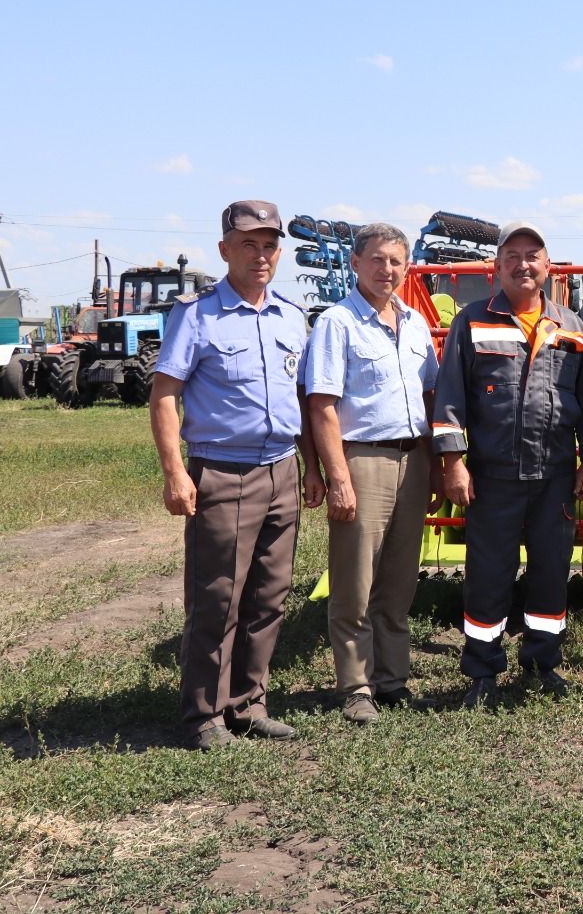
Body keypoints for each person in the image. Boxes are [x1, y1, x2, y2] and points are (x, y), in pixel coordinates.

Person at [150, 200, 325, 751]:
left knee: (270, 597)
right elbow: (163, 397)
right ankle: (203, 716)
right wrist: (176, 473)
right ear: (225, 249)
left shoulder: (291, 316)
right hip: (222, 473)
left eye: (270, 244)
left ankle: (249, 704)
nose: (261, 254)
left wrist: (312, 467)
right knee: (218, 597)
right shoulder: (196, 314)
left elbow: (300, 398)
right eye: (248, 244)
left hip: (281, 470)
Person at [432, 221, 583, 707]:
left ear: (549, 266)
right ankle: (482, 672)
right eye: (513, 256)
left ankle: (542, 662)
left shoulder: (571, 325)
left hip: (556, 474)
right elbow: (449, 399)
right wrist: (453, 464)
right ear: (497, 266)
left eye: (534, 255)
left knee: (551, 571)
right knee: (488, 574)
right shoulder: (471, 320)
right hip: (492, 474)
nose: (524, 265)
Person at [304, 222, 440, 725]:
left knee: (400, 579)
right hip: (362, 458)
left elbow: (429, 396)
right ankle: (356, 686)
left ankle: (392, 679)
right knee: (355, 579)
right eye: (378, 260)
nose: (387, 270)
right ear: (356, 263)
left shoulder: (416, 323)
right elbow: (321, 405)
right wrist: (336, 476)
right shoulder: (338, 323)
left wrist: (434, 464)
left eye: (396, 262)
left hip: (413, 458)